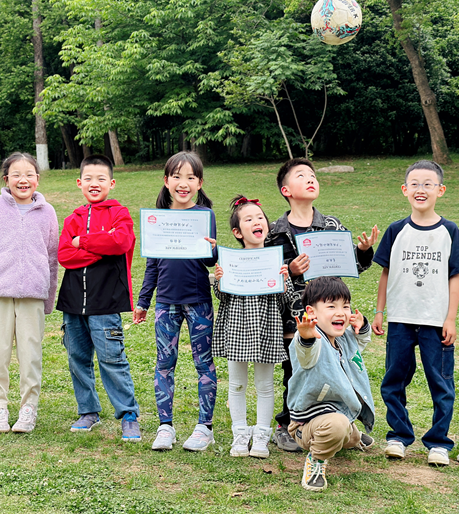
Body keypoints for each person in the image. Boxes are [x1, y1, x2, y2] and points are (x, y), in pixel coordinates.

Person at [264, 158, 378, 452]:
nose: (310, 179)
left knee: (334, 369)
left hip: (329, 316)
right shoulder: (274, 232)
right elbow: (265, 275)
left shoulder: (332, 225)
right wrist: (291, 270)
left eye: (312, 175)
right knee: (295, 372)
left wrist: (363, 251)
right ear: (286, 190)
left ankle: (342, 422)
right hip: (293, 318)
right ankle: (289, 424)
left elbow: (352, 265)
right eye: (301, 175)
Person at [372, 160, 459, 466]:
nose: (421, 189)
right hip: (400, 319)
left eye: (428, 184)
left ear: (440, 190)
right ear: (405, 190)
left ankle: (438, 442)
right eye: (415, 183)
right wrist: (379, 311)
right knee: (394, 380)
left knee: (441, 383)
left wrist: (451, 318)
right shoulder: (396, 230)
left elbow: (455, 276)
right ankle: (398, 436)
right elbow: (386, 273)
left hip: (435, 321)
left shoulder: (449, 231)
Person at [0, 153, 59, 434]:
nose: (22, 180)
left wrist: (49, 297)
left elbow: (52, 258)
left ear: (37, 179)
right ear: (6, 179)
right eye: (16, 174)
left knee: (31, 354)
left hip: (33, 295)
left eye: (29, 174)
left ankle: (29, 408)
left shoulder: (48, 212)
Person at [133, 151, 218, 452]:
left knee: (203, 363)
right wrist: (144, 301)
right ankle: (165, 427)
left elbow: (210, 262)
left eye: (190, 177)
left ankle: (205, 427)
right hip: (165, 304)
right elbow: (152, 265)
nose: (183, 183)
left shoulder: (205, 215)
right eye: (177, 176)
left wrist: (214, 250)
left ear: (199, 183)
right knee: (164, 364)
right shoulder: (158, 218)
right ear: (166, 180)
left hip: (199, 302)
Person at [56, 154, 141, 441]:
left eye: (101, 179)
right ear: (79, 183)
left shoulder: (120, 214)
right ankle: (88, 411)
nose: (94, 184)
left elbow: (121, 241)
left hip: (106, 301)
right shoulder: (73, 218)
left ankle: (128, 414)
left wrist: (83, 242)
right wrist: (101, 249)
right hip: (73, 302)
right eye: (88, 179)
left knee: (111, 359)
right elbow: (65, 255)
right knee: (77, 358)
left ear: (111, 183)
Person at [212, 196, 296, 459]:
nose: (256, 221)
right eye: (248, 219)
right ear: (238, 232)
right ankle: (240, 433)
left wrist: (284, 280)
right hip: (237, 326)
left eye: (260, 217)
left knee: (265, 384)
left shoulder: (276, 261)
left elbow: (286, 299)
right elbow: (222, 296)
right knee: (236, 384)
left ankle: (261, 435)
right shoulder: (231, 260)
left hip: (266, 327)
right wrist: (219, 280)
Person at [287, 277, 375, 491]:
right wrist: (306, 337)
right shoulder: (313, 339)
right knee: (337, 426)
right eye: (331, 306)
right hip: (307, 424)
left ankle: (352, 436)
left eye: (345, 306)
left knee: (343, 428)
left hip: (338, 414)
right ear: (312, 312)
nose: (341, 312)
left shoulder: (344, 339)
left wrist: (362, 327)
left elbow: (360, 343)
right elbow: (306, 353)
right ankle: (316, 460)